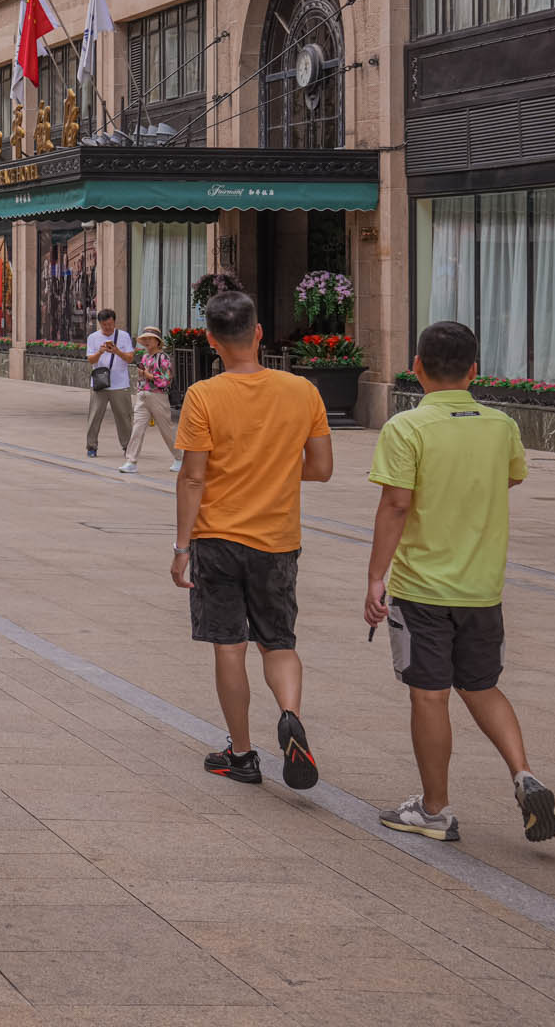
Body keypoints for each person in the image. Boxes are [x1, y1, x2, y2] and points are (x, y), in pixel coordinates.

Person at [365, 321, 555, 845]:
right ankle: (523, 771)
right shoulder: (500, 425)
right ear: (475, 371)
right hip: (482, 586)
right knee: (481, 684)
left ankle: (434, 810)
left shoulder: (407, 428)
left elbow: (396, 503)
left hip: (422, 586)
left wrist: (375, 577)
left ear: (417, 367)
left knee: (429, 696)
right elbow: (512, 476)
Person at [173, 289, 333, 791]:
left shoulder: (203, 395)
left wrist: (181, 548)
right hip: (277, 539)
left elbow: (193, 478)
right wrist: (276, 471)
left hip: (216, 538)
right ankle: (289, 715)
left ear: (210, 339)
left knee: (228, 645)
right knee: (278, 641)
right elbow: (323, 469)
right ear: (258, 332)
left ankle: (241, 753)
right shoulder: (302, 391)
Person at [120, 326, 178, 471]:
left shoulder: (163, 357)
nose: (146, 342)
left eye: (149, 339)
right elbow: (143, 377)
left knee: (167, 430)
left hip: (158, 396)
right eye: (144, 339)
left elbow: (166, 380)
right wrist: (141, 375)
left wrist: (147, 375)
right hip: (142, 396)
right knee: (137, 429)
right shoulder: (145, 357)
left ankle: (180, 457)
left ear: (157, 341)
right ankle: (131, 461)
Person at [85, 308, 136, 461]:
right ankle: (91, 446)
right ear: (99, 323)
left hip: (120, 384)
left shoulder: (124, 336)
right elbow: (91, 360)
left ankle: (128, 447)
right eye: (104, 325)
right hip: (100, 384)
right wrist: (100, 352)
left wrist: (117, 351)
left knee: (124, 417)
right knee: (94, 416)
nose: (108, 327)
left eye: (110, 324)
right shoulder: (93, 337)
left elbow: (130, 358)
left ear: (114, 322)